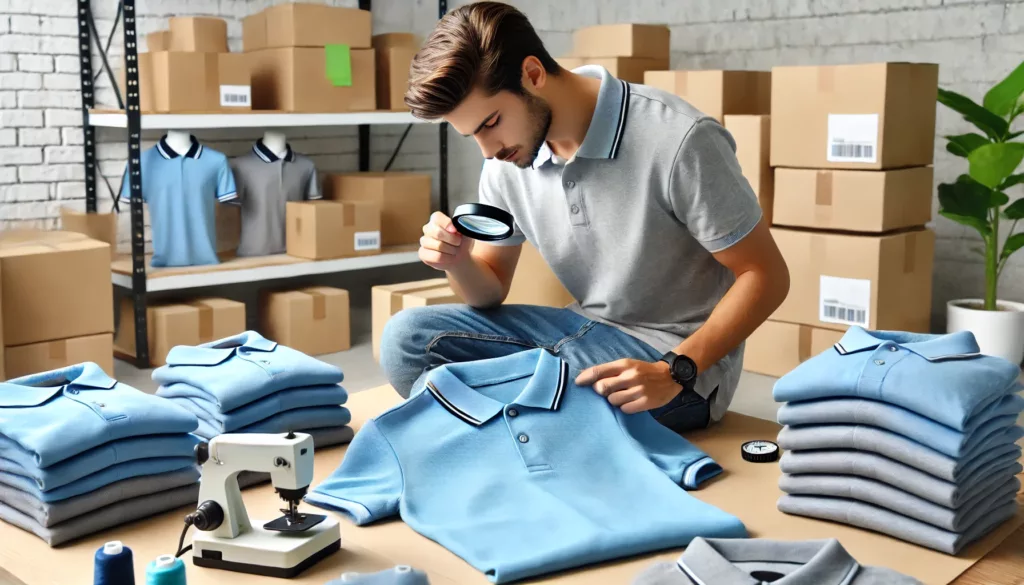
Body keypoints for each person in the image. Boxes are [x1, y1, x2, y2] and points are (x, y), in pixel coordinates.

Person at [379, 1, 790, 433]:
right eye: (472, 136)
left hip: (669, 359)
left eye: (492, 123)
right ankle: (508, 416)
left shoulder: (678, 138)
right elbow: (488, 291)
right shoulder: (506, 161)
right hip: (579, 328)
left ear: (533, 75)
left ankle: (479, 416)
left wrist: (678, 370)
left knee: (469, 391)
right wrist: (457, 261)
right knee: (405, 341)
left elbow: (766, 275)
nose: (488, 150)